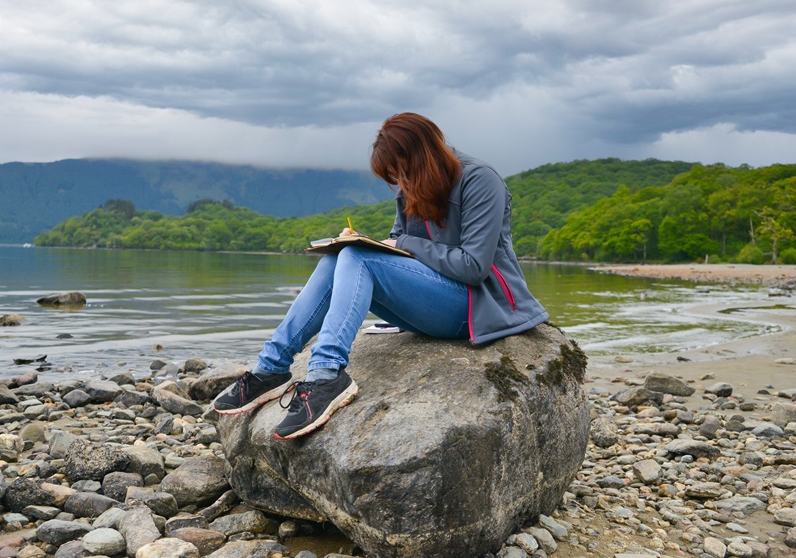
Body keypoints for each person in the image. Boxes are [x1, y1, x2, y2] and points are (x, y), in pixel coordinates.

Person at [213, 112, 549, 439]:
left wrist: (399, 243)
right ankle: (271, 368)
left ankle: (326, 375)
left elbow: (473, 267)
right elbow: (399, 247)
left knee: (358, 257)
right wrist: (365, 242)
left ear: (423, 156)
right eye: (394, 178)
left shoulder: (480, 181)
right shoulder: (412, 186)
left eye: (401, 173)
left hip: (478, 307)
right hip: (433, 302)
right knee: (342, 256)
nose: (400, 184)